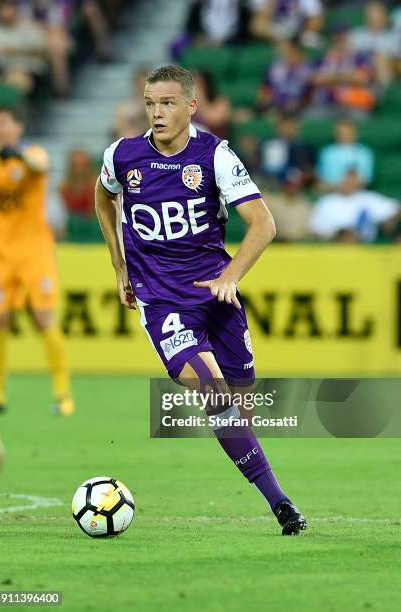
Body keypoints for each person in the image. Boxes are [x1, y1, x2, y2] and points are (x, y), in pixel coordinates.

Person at [95, 65, 307, 535]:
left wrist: (231, 276)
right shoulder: (123, 156)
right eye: (150, 103)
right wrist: (119, 264)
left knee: (241, 406)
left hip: (216, 296)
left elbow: (264, 224)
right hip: (162, 301)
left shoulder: (215, 156)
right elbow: (103, 196)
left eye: (167, 103)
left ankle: (258, 472)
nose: (157, 113)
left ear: (191, 106)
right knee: (214, 396)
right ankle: (282, 505)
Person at [0, 107, 74, 416]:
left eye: (3, 123)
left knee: (43, 317)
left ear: (17, 126)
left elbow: (41, 163)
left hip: (34, 253)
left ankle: (63, 393)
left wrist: (18, 153)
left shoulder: (31, 154)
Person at [310, 169, 400, 242]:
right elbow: (315, 229)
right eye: (347, 179)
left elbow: (395, 208)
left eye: (353, 179)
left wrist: (391, 221)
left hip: (364, 248)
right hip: (333, 246)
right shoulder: (326, 201)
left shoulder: (368, 198)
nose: (350, 183)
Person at [257, 38, 314, 116]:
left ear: (301, 55)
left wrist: (300, 103)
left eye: (295, 54)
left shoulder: (307, 70)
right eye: (289, 54)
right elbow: (265, 88)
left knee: (290, 110)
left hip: (297, 105)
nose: (291, 57)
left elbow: (309, 95)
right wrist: (265, 100)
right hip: (276, 103)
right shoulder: (275, 67)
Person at [349, 1, 400, 86]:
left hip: (386, 73)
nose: (375, 17)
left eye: (378, 13)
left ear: (385, 16)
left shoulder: (394, 37)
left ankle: (382, 93)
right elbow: (347, 56)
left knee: (381, 59)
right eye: (371, 13)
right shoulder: (356, 35)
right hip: (359, 72)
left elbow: (398, 64)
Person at [317, 117, 374, 191]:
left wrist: (351, 186)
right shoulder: (327, 153)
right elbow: (324, 177)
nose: (344, 136)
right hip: (334, 192)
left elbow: (366, 178)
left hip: (358, 192)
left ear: (355, 133)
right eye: (341, 133)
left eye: (348, 133)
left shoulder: (364, 152)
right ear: (336, 134)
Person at [192, 70, 231, 139]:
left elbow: (213, 121)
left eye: (197, 84)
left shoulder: (220, 100)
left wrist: (200, 97)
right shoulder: (187, 104)